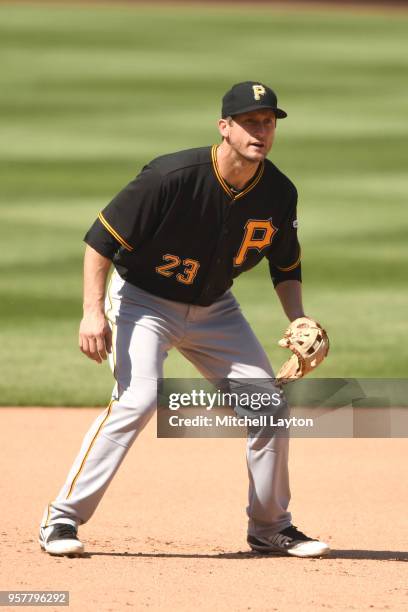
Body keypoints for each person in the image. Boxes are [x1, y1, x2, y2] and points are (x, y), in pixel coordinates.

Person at [39, 81, 330, 558]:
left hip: (217, 310)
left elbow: (286, 264)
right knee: (137, 400)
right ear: (225, 127)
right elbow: (100, 241)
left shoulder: (278, 191)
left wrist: (298, 319)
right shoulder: (170, 175)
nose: (262, 130)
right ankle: (62, 518)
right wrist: (93, 313)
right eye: (251, 121)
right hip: (143, 301)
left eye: (269, 122)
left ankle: (271, 527)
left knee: (269, 409)